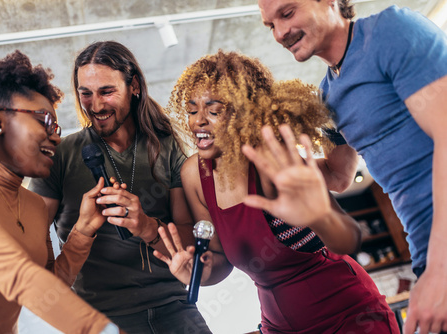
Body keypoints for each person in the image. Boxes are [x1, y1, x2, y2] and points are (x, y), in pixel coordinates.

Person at [155, 50, 400, 333]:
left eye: (214, 110)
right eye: (192, 110)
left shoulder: (273, 158)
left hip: (349, 316)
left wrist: (332, 113)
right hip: (280, 327)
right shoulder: (194, 175)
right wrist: (199, 273)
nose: (198, 121)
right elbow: (219, 259)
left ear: (244, 112)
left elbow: (342, 207)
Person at [258, 1, 447, 333]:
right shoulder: (328, 95)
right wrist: (284, 163)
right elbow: (338, 176)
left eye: (287, 14)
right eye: (270, 25)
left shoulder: (390, 31)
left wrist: (441, 271)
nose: (280, 33)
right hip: (425, 248)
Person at [28, 41, 211, 333]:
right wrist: (82, 229)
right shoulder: (58, 156)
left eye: (107, 91)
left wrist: (147, 226)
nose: (96, 105)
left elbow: (190, 242)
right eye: (85, 93)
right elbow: (28, 250)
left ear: (134, 86)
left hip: (175, 308)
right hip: (98, 316)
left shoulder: (167, 147)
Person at [0, 51, 123, 333]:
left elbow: (48, 285)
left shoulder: (34, 205)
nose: (56, 136)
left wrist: (84, 230)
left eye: (58, 126)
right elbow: (17, 276)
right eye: (45, 121)